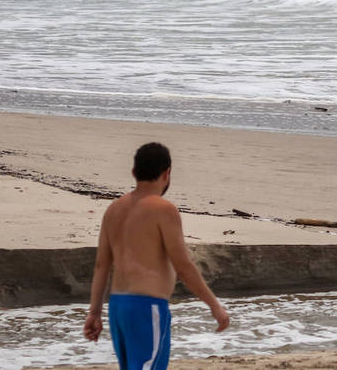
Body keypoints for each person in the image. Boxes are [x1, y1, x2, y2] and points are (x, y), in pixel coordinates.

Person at [84, 142, 230, 370]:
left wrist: (94, 312)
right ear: (167, 173)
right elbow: (183, 266)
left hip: (118, 307)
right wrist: (214, 306)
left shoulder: (114, 209)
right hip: (146, 307)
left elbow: (102, 265)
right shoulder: (163, 209)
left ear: (134, 173)